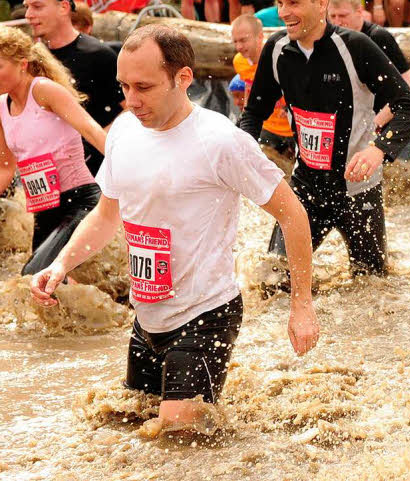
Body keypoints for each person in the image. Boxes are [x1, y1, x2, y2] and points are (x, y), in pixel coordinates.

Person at [30, 24, 319, 434]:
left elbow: (292, 213)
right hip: (146, 315)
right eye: (124, 86)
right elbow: (106, 215)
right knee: (127, 425)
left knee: (179, 439)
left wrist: (301, 305)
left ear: (182, 78)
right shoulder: (124, 133)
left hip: (206, 313)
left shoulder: (220, 141)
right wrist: (60, 265)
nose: (130, 100)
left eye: (143, 87)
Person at [239, 0, 410, 279]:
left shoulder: (357, 47)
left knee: (371, 287)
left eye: (293, 3)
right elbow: (253, 114)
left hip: (358, 190)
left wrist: (378, 150)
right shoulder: (276, 50)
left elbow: (409, 107)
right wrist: (242, 155)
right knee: (273, 278)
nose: (284, 13)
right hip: (305, 188)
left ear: (321, 4)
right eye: (280, 3)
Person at [0, 25, 106, 276]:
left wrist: (129, 170)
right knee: (44, 284)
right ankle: (94, 312)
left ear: (22, 64)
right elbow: (3, 166)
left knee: (34, 275)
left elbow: (91, 130)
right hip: (44, 207)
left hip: (80, 201)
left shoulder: (44, 90)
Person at [24, 0, 123, 175]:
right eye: (27, 7)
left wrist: (93, 143)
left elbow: (131, 110)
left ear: (63, 7)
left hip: (98, 170)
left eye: (37, 6)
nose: (28, 15)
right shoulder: (33, 59)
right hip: (50, 172)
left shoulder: (98, 54)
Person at [327, 0, 410, 130]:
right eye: (332, 16)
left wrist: (375, 123)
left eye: (343, 15)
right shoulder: (332, 38)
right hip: (355, 126)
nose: (337, 22)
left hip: (390, 125)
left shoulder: (379, 37)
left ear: (359, 11)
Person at [231, 14, 295, 165]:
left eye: (243, 40)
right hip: (268, 126)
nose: (239, 46)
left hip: (291, 127)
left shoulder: (280, 56)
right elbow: (249, 87)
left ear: (259, 37)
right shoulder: (239, 62)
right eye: (235, 41)